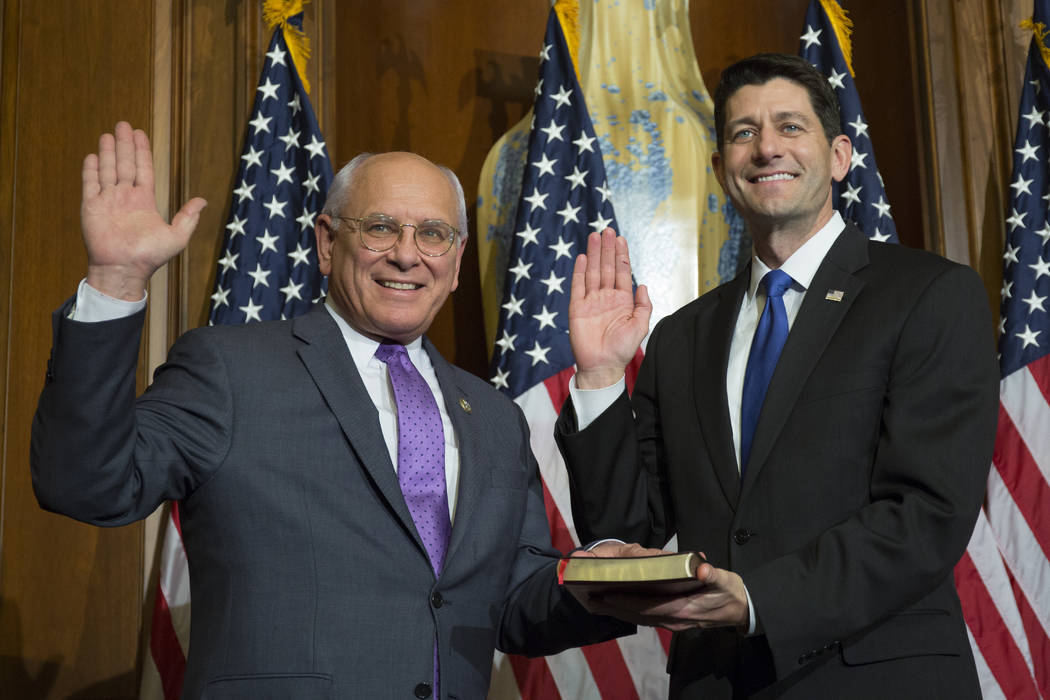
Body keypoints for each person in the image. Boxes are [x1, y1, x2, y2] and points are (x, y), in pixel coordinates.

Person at [31, 122, 632, 699]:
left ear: (455, 261)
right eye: (379, 227)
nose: (406, 255)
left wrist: (619, 586)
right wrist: (115, 279)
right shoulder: (230, 370)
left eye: (433, 234)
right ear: (325, 242)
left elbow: (514, 602)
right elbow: (86, 484)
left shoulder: (497, 419)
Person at [555, 53, 999, 698]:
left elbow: (928, 511)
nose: (766, 148)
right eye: (743, 133)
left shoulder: (930, 295)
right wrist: (598, 376)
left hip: (878, 679)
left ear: (839, 156)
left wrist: (758, 598)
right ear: (720, 170)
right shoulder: (680, 337)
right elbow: (623, 536)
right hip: (718, 682)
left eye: (790, 127)